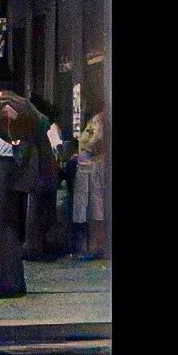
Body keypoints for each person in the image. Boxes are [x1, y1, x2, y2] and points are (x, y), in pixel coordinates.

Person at [0, 90, 56, 294]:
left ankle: (8, 283)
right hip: (15, 164)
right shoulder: (20, 105)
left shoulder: (1, 103)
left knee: (0, 225)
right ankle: (11, 281)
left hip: (0, 165)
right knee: (9, 226)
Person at [72, 103, 107, 259]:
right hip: (92, 165)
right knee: (94, 207)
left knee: (94, 208)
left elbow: (94, 141)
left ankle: (94, 246)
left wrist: (85, 154)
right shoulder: (100, 119)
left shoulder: (99, 119)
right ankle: (94, 246)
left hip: (93, 167)